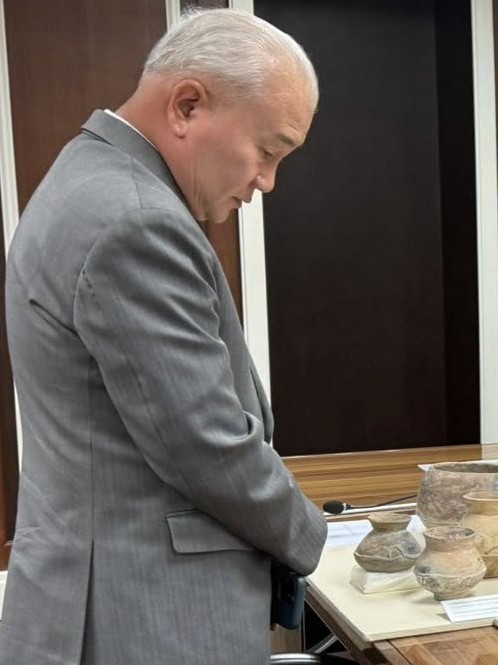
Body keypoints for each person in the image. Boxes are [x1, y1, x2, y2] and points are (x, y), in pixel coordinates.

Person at [0, 9, 327, 665]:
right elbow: (206, 445)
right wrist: (317, 537)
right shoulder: (136, 219)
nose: (266, 182)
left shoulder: (88, 178)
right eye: (267, 151)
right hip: (144, 619)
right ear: (187, 106)